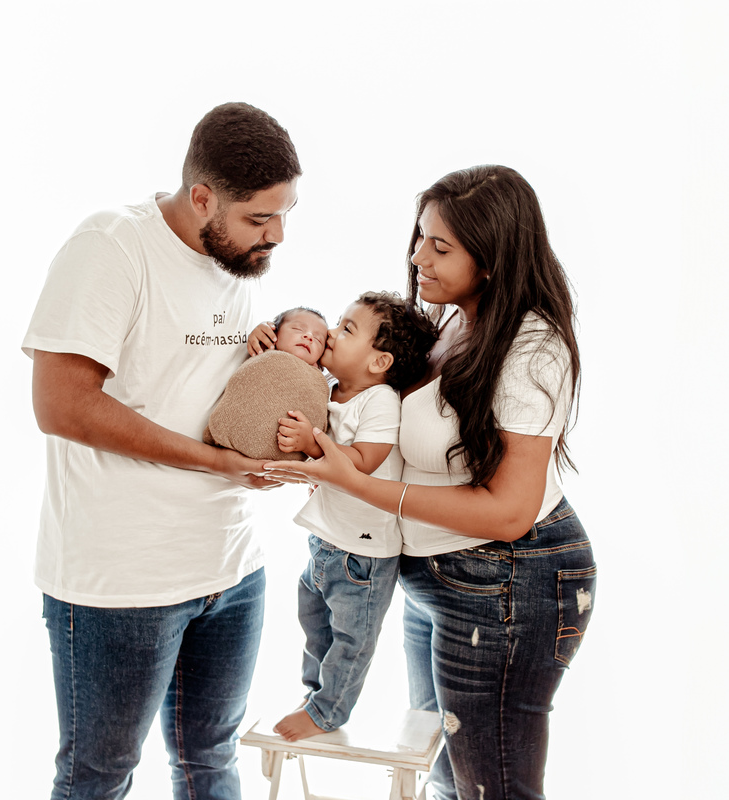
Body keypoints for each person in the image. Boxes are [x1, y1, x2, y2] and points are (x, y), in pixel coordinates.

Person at [264, 166, 596, 800]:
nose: (417, 258)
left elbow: (509, 513)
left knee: (487, 788)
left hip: (507, 586)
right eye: (420, 237)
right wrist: (281, 346)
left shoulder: (530, 350)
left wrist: (354, 483)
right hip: (439, 577)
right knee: (442, 777)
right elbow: (370, 399)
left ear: (492, 258)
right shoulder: (450, 320)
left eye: (440, 247)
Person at [22, 102, 300, 800]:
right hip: (124, 581)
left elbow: (193, 383)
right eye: (258, 219)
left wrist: (263, 353)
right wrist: (217, 465)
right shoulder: (112, 246)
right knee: (99, 777)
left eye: (285, 214)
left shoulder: (232, 261)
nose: (276, 236)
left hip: (231, 568)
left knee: (211, 761)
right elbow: (61, 404)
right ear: (202, 197)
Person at [264, 292, 436, 742]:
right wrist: (260, 336)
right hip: (326, 540)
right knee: (314, 622)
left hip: (363, 555)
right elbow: (283, 362)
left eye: (346, 329)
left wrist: (313, 439)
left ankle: (327, 712)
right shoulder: (328, 386)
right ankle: (314, 693)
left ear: (379, 362)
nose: (331, 336)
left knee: (351, 642)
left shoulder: (378, 400)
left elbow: (364, 459)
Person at [203, 307, 331, 461]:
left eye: (318, 339)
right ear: (274, 334)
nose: (309, 336)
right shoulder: (263, 352)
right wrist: (258, 335)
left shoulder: (317, 380)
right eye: (298, 328)